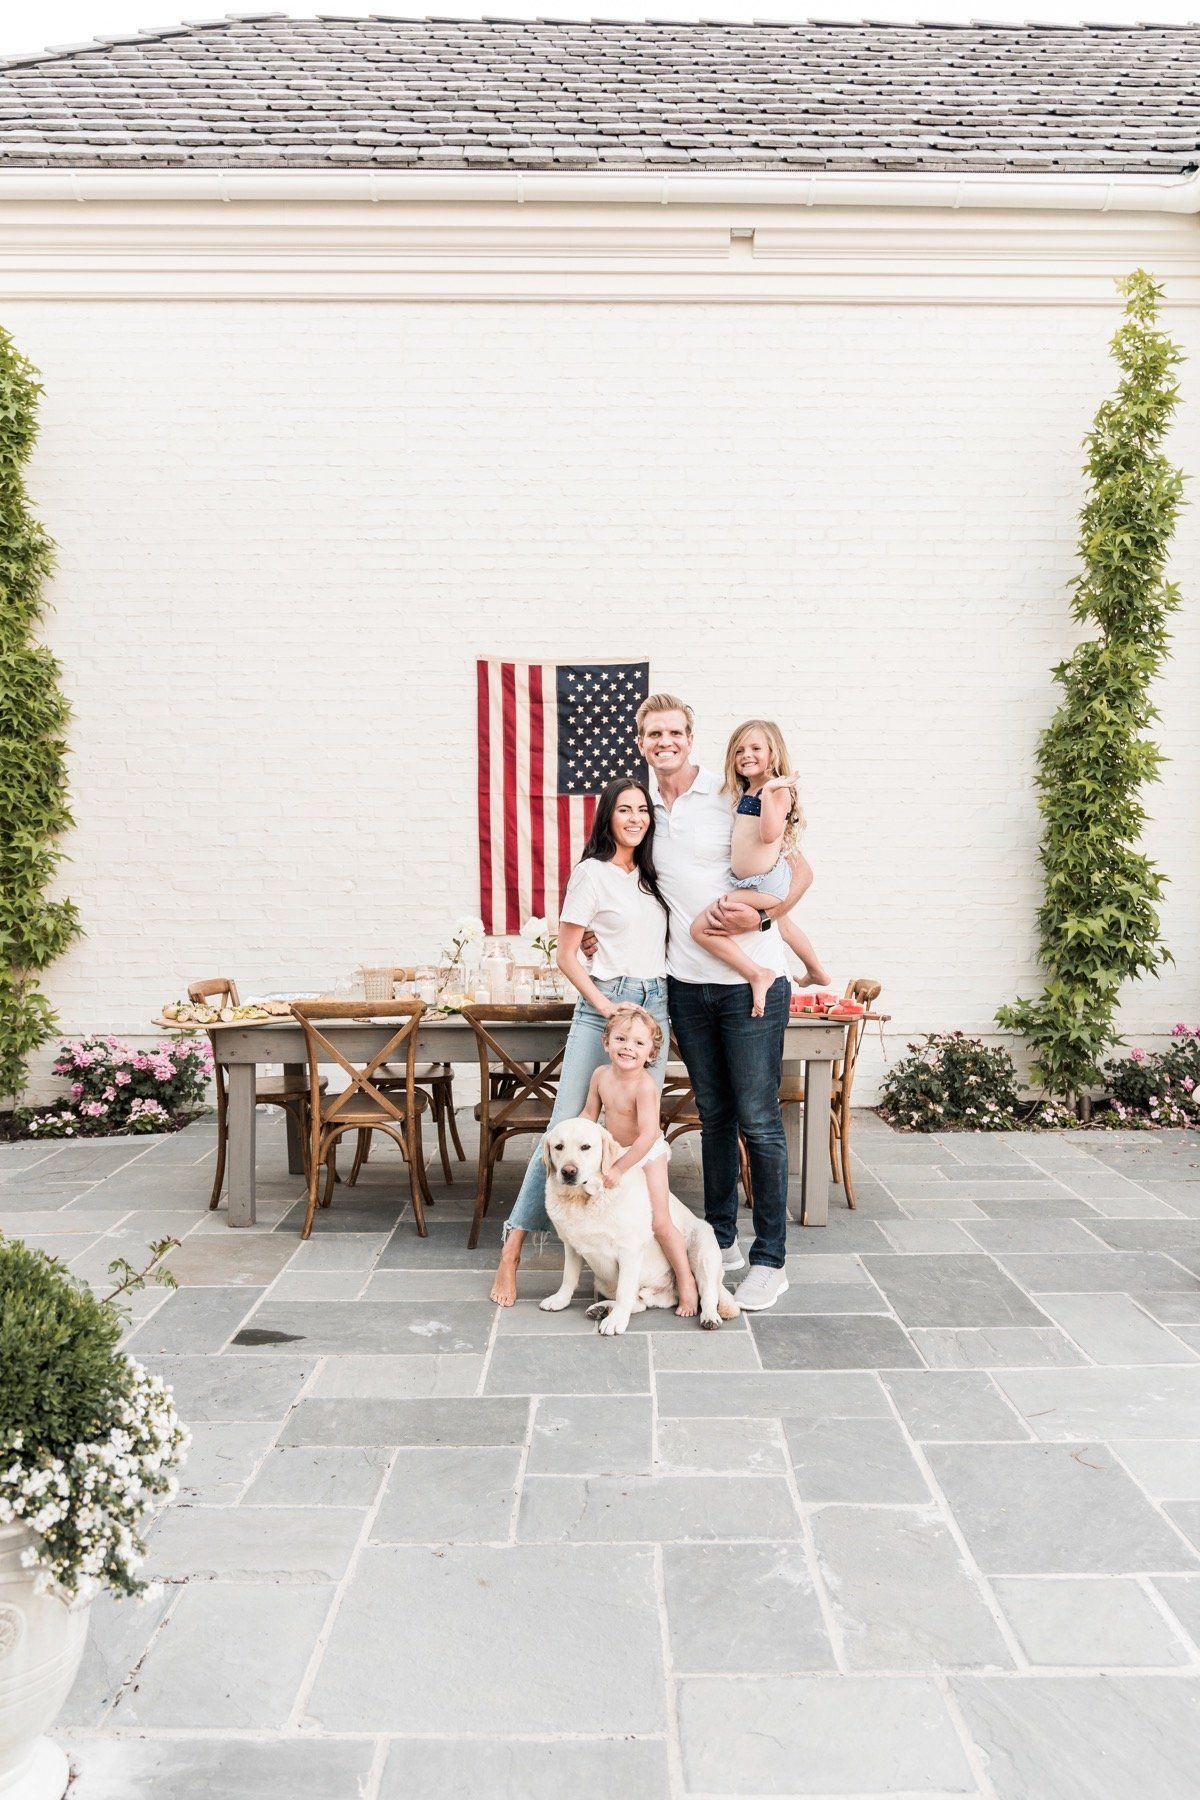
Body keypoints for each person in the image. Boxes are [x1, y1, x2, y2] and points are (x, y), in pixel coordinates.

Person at [632, 692, 811, 1313]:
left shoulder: (729, 792)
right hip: (686, 982)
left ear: (690, 736)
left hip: (752, 980)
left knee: (759, 1119)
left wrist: (764, 911)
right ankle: (722, 1238)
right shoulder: (644, 807)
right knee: (714, 1117)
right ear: (642, 742)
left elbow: (798, 871)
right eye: (654, 734)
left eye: (675, 731)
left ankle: (769, 1261)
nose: (666, 742)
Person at [489, 778, 670, 1308]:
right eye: (624, 810)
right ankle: (513, 1250)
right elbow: (569, 955)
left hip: (653, 1005)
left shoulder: (650, 879)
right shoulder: (590, 874)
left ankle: (638, 1252)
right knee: (565, 1127)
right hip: (605, 1007)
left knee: (640, 1132)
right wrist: (604, 1004)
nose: (635, 818)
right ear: (607, 817)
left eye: (642, 810)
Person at [691, 718, 828, 1016]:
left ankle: (757, 973)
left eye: (755, 748)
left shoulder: (774, 790)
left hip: (762, 884)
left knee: (700, 928)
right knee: (786, 926)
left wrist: (769, 793)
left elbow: (768, 834)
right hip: (753, 881)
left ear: (773, 753)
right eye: (739, 750)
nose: (746, 755)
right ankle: (815, 970)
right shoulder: (750, 790)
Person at [580, 1002, 698, 1316]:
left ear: (651, 1054)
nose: (628, 1047)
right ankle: (620, 1279)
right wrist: (580, 1139)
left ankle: (686, 1283)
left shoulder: (645, 1086)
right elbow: (589, 1115)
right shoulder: (600, 1075)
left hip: (647, 1154)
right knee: (613, 1216)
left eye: (638, 1043)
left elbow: (648, 1135)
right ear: (606, 1043)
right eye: (621, 1039)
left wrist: (619, 1167)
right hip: (616, 1150)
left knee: (659, 1220)